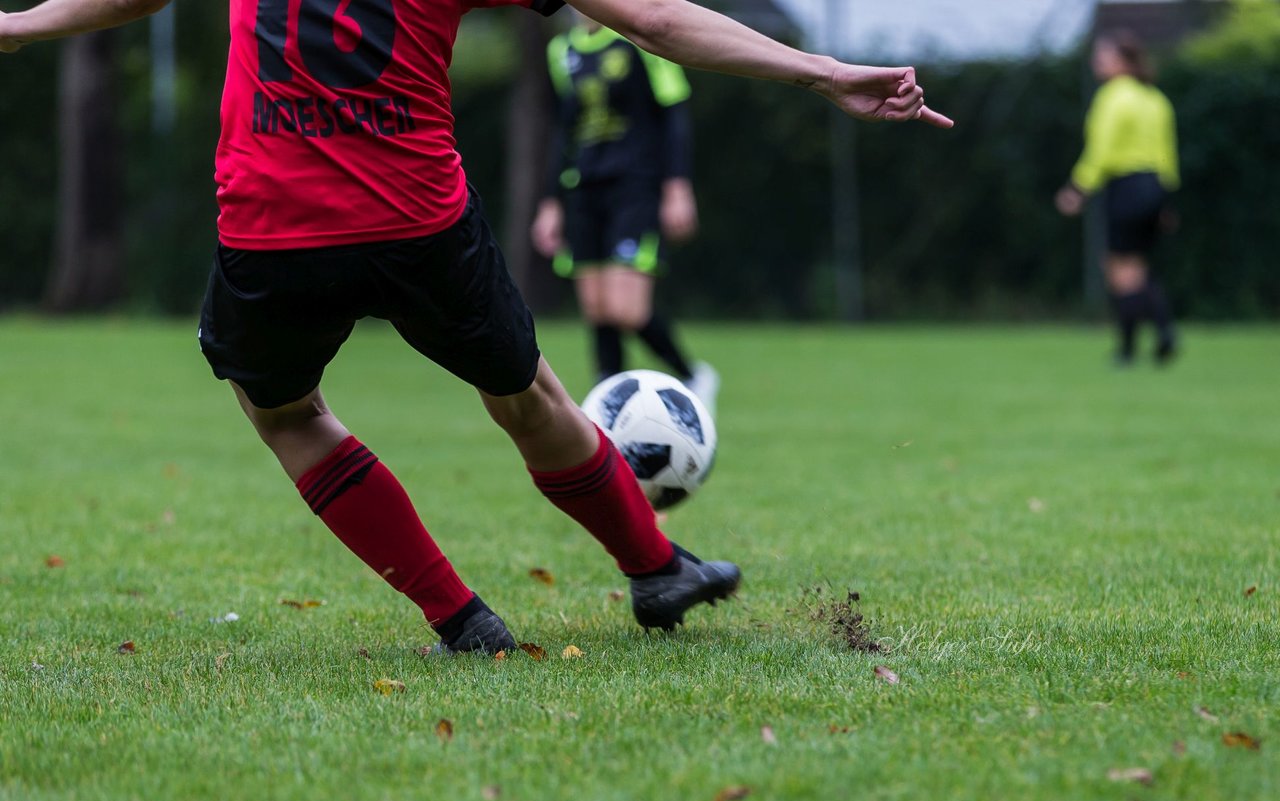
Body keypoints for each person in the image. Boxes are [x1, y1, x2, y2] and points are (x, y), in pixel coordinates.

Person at [0, 0, 951, 655]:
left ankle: (461, 621)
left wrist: (20, 25)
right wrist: (822, 71)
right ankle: (656, 569)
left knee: (286, 414)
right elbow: (655, 19)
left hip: (274, 220)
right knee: (529, 394)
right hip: (418, 219)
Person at [531, 12, 716, 408]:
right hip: (582, 188)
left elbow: (674, 115)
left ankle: (693, 375)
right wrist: (550, 203)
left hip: (635, 186)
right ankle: (609, 402)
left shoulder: (641, 39)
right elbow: (565, 129)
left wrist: (677, 186)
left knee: (626, 308)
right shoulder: (561, 51)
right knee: (598, 308)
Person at [1056, 30, 1180, 366]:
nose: (1097, 62)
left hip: (1126, 186)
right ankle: (1164, 331)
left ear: (1123, 62)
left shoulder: (1113, 97)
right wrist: (1167, 202)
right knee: (1136, 266)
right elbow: (1167, 155)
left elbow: (1102, 151)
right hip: (1155, 187)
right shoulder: (1155, 99)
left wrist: (1078, 189)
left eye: (1103, 56)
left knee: (1118, 269)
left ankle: (1128, 349)